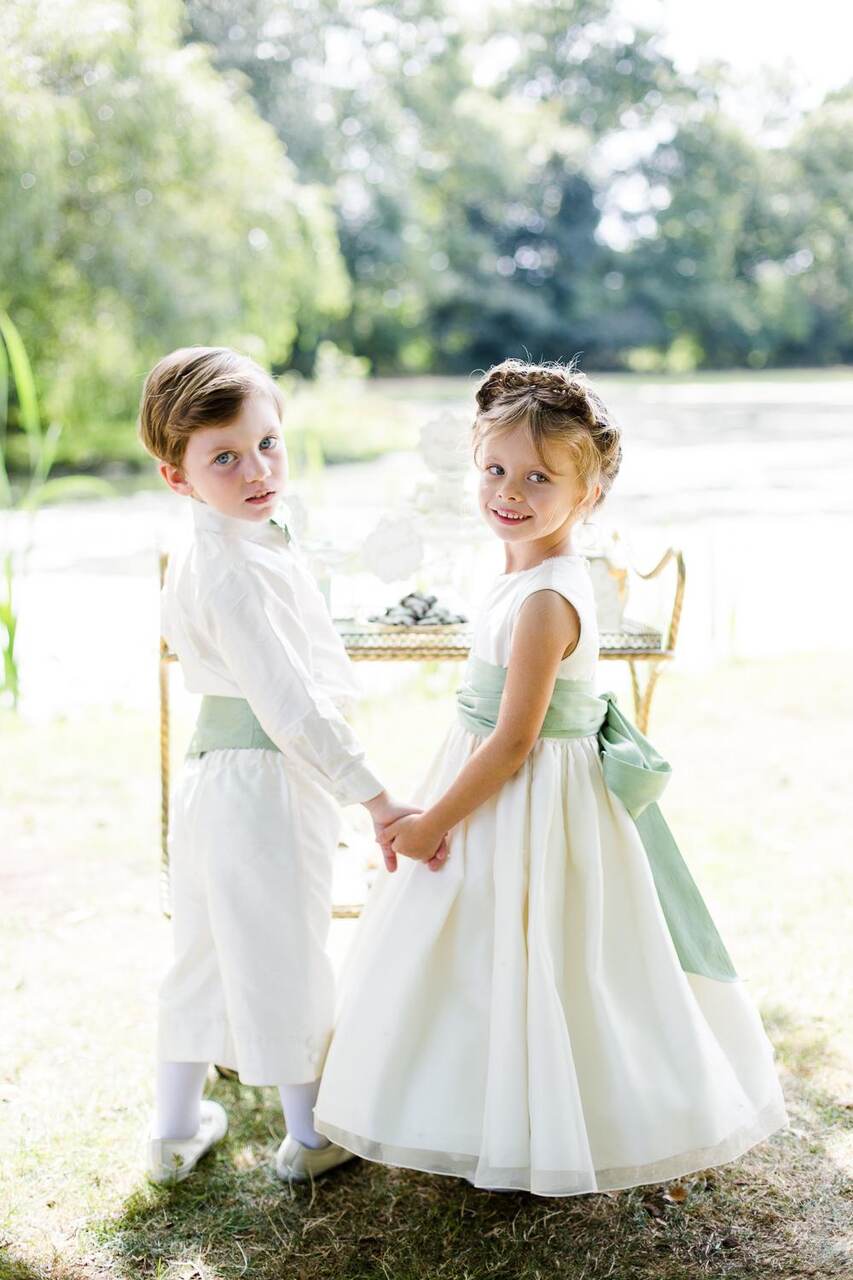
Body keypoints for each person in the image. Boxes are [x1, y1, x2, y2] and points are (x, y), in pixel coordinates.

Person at [314, 358, 788, 1196]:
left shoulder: (546, 599)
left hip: (527, 799)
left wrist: (431, 823)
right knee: (478, 952)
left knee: (545, 953)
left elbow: (512, 743)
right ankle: (477, 1105)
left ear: (589, 493)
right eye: (494, 469)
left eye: (539, 477)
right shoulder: (516, 572)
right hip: (497, 783)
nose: (510, 491)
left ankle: (559, 1118)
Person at [137, 346, 439, 1186]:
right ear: (177, 475)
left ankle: (172, 1129)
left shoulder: (227, 543)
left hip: (213, 776)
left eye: (267, 443)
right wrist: (375, 798)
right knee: (284, 950)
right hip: (262, 781)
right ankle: (309, 1134)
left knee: (200, 948)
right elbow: (292, 706)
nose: (257, 468)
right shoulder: (230, 568)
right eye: (224, 458)